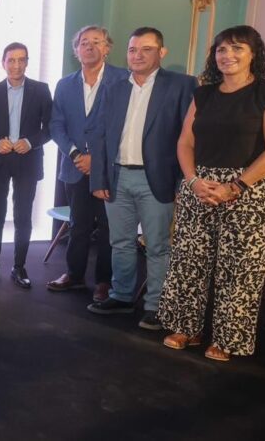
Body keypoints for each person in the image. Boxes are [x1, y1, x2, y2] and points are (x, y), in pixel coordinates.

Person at [159, 25, 265, 361]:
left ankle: (228, 339)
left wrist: (235, 186)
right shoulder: (203, 94)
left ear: (253, 54)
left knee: (239, 269)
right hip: (199, 187)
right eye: (221, 49)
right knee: (188, 262)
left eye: (237, 48)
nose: (227, 55)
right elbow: (185, 142)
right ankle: (186, 327)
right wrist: (192, 180)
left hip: (250, 191)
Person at [87, 27, 196, 330]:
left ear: (162, 52)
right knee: (120, 242)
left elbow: (190, 138)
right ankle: (122, 296)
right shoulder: (113, 87)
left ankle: (156, 306)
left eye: (146, 49)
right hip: (117, 176)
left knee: (157, 245)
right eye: (133, 49)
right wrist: (99, 178)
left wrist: (183, 182)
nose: (137, 55)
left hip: (157, 180)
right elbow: (99, 135)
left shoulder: (181, 85)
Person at [46, 26, 129, 303]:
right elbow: (56, 125)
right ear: (76, 50)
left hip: (109, 168)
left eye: (96, 42)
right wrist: (75, 155)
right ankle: (74, 275)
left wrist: (98, 158)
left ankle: (104, 281)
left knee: (108, 227)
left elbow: (125, 125)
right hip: (75, 167)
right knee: (78, 224)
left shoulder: (123, 79)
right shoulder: (64, 84)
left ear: (107, 48)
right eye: (84, 42)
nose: (89, 47)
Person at [0, 42, 53, 288]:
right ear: (3, 63)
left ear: (27, 62)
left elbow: (50, 128)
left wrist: (30, 142)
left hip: (27, 161)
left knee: (23, 217)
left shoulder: (41, 90)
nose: (16, 65)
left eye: (21, 60)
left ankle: (19, 267)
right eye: (11, 60)